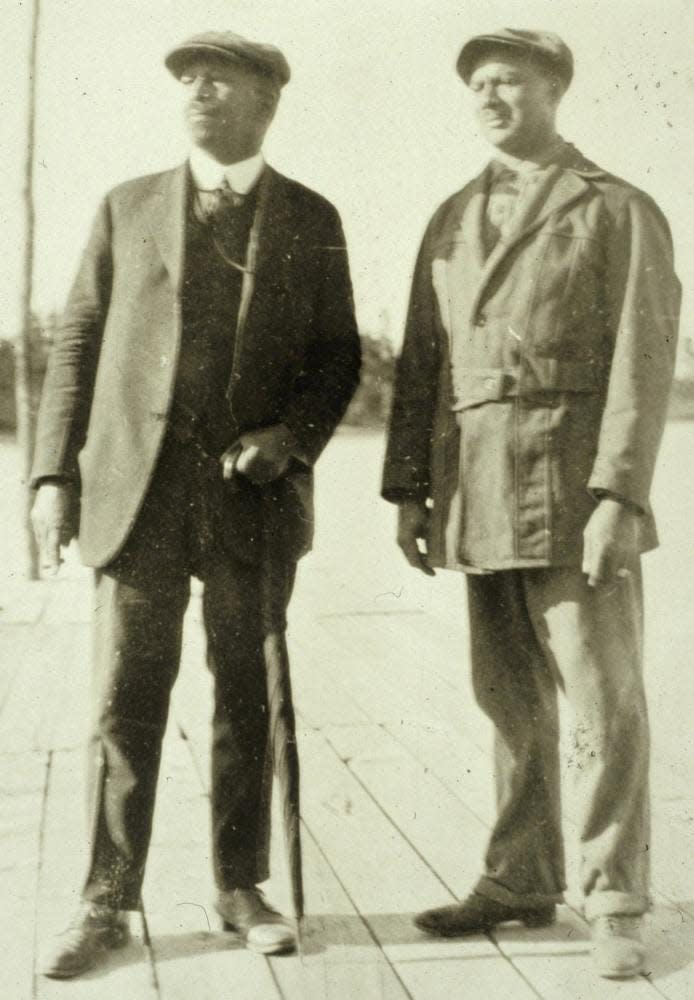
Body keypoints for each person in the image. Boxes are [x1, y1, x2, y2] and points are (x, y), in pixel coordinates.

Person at [31, 30, 360, 978]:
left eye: (220, 78)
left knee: (244, 696)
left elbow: (339, 357)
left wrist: (288, 439)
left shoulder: (309, 215)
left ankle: (238, 883)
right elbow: (76, 347)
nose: (197, 89)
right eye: (187, 78)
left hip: (249, 508)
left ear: (266, 101)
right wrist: (53, 477)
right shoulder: (125, 206)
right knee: (122, 699)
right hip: (135, 501)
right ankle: (105, 898)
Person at [382, 28, 680, 979]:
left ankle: (618, 899)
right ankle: (519, 880)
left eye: (509, 79)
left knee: (602, 700)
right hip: (477, 492)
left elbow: (643, 359)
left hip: (573, 486)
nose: (490, 95)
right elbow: (422, 361)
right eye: (477, 83)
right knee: (509, 702)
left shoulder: (617, 208)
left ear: (556, 89)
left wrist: (618, 495)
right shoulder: (450, 216)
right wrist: (410, 491)